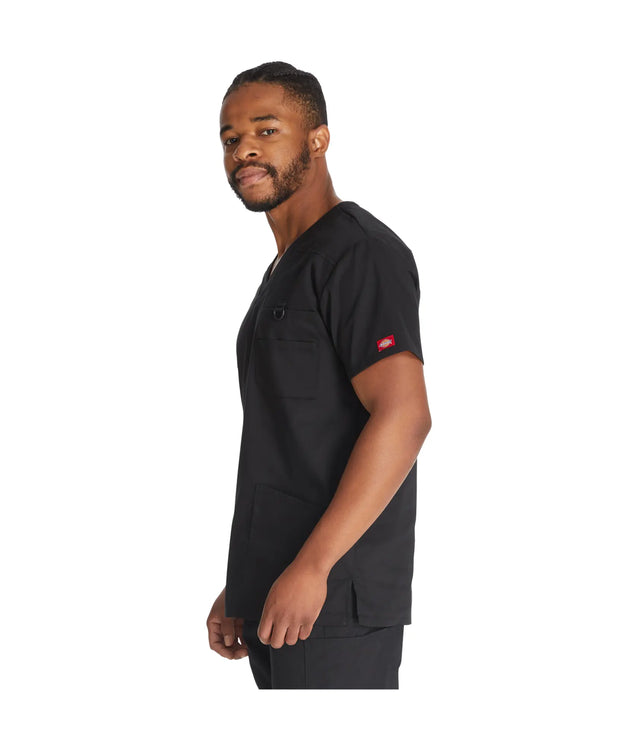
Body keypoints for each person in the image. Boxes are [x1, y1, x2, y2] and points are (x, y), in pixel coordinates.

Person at [206, 61, 432, 689]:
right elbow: (292, 443)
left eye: (266, 129)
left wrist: (313, 567)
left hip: (333, 600)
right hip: (278, 597)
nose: (244, 149)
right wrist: (246, 579)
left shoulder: (359, 254)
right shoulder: (287, 269)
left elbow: (405, 416)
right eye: (230, 137)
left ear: (318, 138)